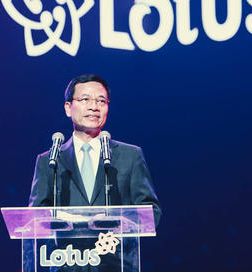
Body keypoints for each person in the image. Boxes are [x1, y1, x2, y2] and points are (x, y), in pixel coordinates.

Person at [28, 73, 161, 226]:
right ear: (68, 108)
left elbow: (151, 213)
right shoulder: (50, 161)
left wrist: (116, 221)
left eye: (101, 101)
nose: (94, 107)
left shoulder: (130, 156)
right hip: (67, 243)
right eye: (85, 99)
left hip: (112, 241)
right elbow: (35, 217)